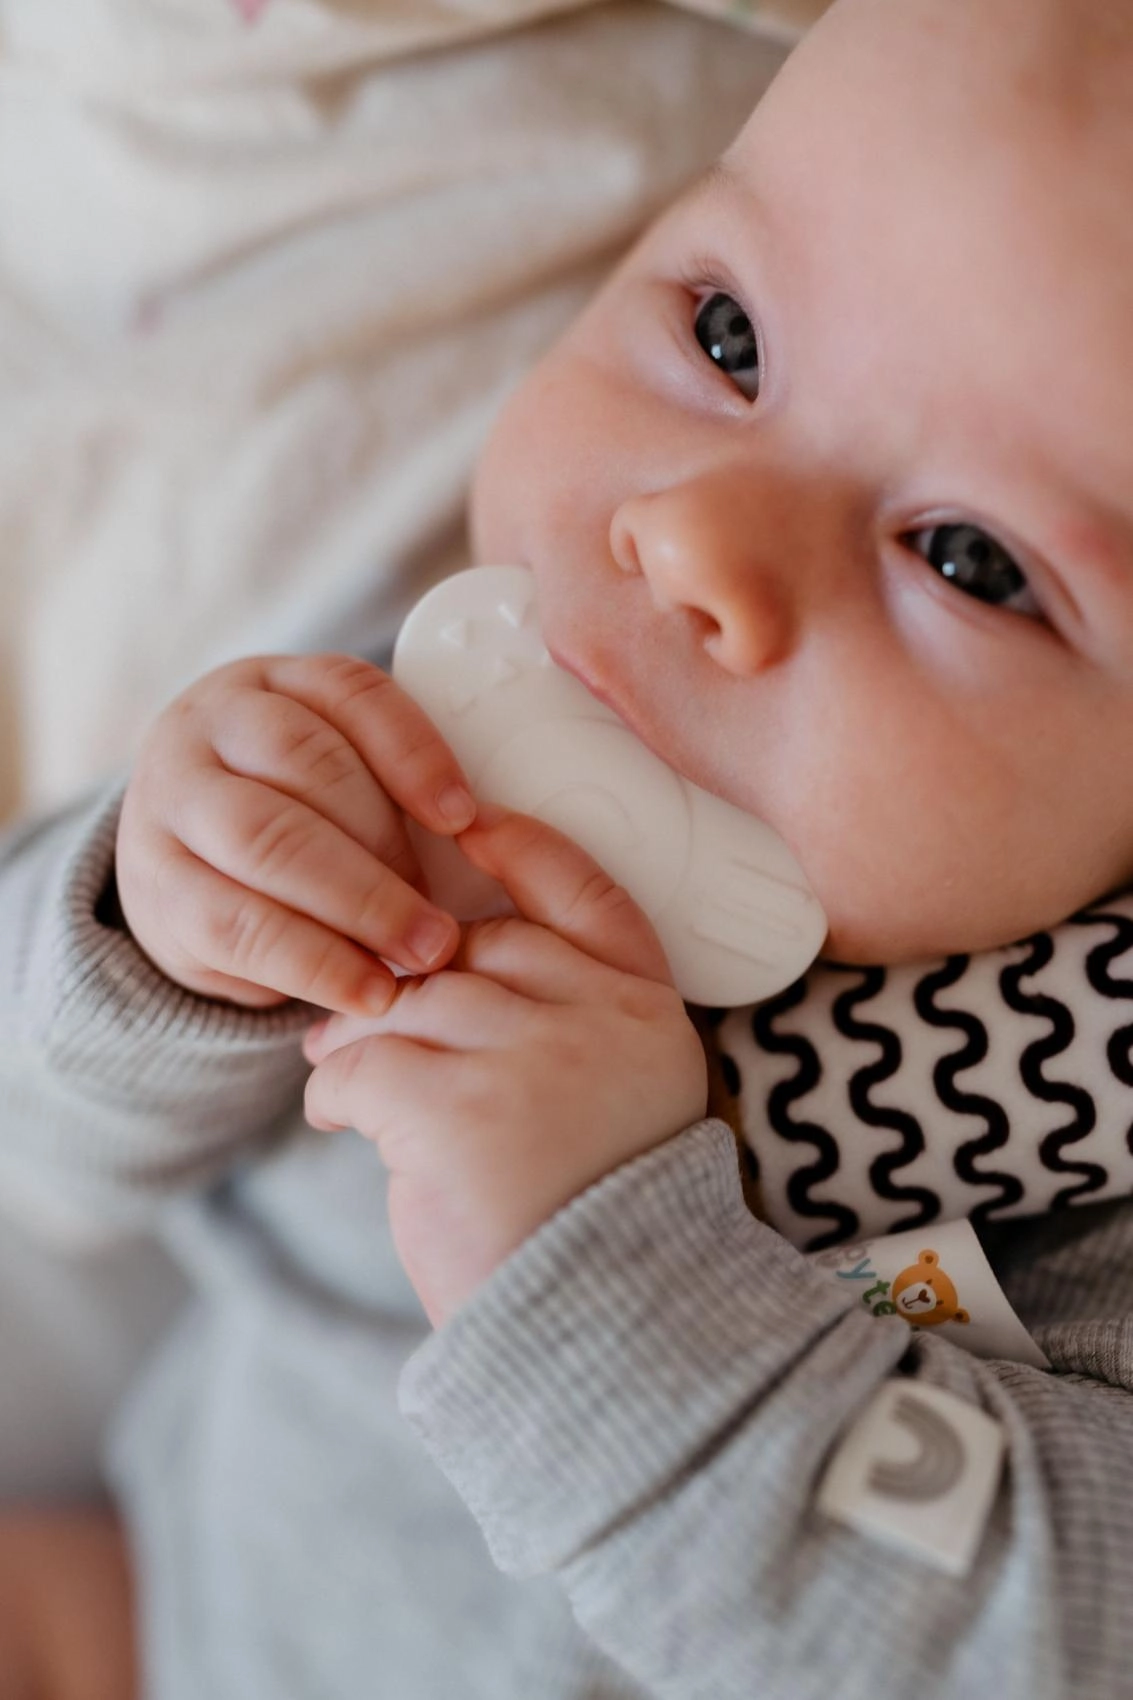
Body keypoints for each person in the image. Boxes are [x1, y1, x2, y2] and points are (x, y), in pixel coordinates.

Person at [4, 0, 1133, 1694]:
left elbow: (1041, 1647)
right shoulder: (435, 741)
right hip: (163, 1604)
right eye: (728, 337)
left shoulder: (1082, 1128)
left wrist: (599, 1256)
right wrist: (163, 924)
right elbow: (44, 1161)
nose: (690, 539)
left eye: (968, 560)